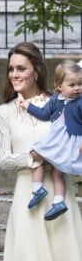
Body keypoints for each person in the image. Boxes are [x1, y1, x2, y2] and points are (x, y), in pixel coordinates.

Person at [0, 42, 82, 261]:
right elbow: (3, 159)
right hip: (27, 197)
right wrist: (36, 157)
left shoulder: (62, 102)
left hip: (60, 195)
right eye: (11, 69)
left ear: (36, 72)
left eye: (21, 68)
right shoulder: (5, 112)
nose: (14, 74)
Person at [18, 59, 82, 220]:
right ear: (59, 86)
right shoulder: (55, 100)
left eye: (80, 84)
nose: (77, 88)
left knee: (55, 168)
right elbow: (44, 114)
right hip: (56, 140)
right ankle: (41, 191)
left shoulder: (80, 102)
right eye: (72, 84)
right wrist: (28, 106)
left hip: (69, 142)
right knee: (38, 156)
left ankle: (56, 199)